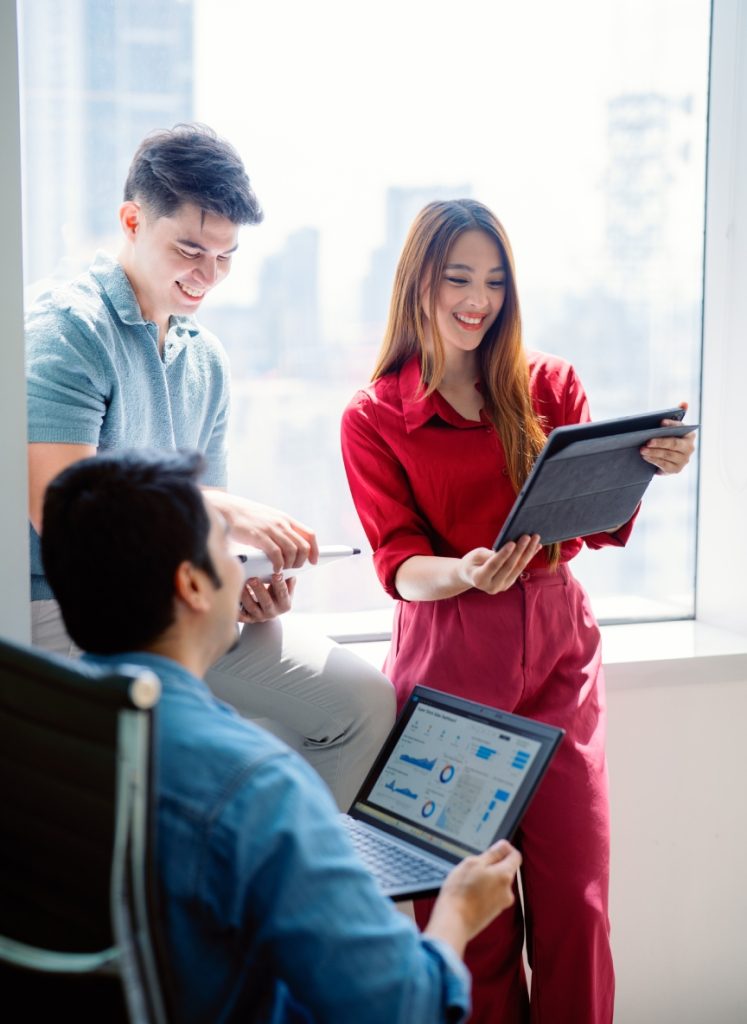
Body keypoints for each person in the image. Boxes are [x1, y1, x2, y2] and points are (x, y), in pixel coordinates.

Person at [340, 199, 696, 1024]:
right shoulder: (373, 415)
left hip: (559, 656)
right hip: (451, 669)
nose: (478, 298)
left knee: (578, 900)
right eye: (458, 277)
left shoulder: (547, 385)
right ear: (418, 282)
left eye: (494, 281)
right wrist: (465, 572)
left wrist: (647, 462)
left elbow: (596, 518)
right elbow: (400, 566)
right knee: (473, 912)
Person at [40, 448, 523, 1023]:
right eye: (228, 548)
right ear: (193, 585)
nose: (248, 565)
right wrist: (458, 914)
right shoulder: (256, 786)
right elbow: (400, 1004)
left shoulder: (45, 720)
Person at [25, 122, 394, 810]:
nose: (208, 275)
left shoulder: (206, 359)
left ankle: (276, 902)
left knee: (362, 704)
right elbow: (63, 516)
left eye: (224, 257)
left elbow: (198, 529)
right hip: (64, 609)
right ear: (132, 221)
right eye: (190, 249)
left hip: (174, 601)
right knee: (221, 756)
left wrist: (240, 583)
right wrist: (224, 511)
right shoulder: (65, 333)